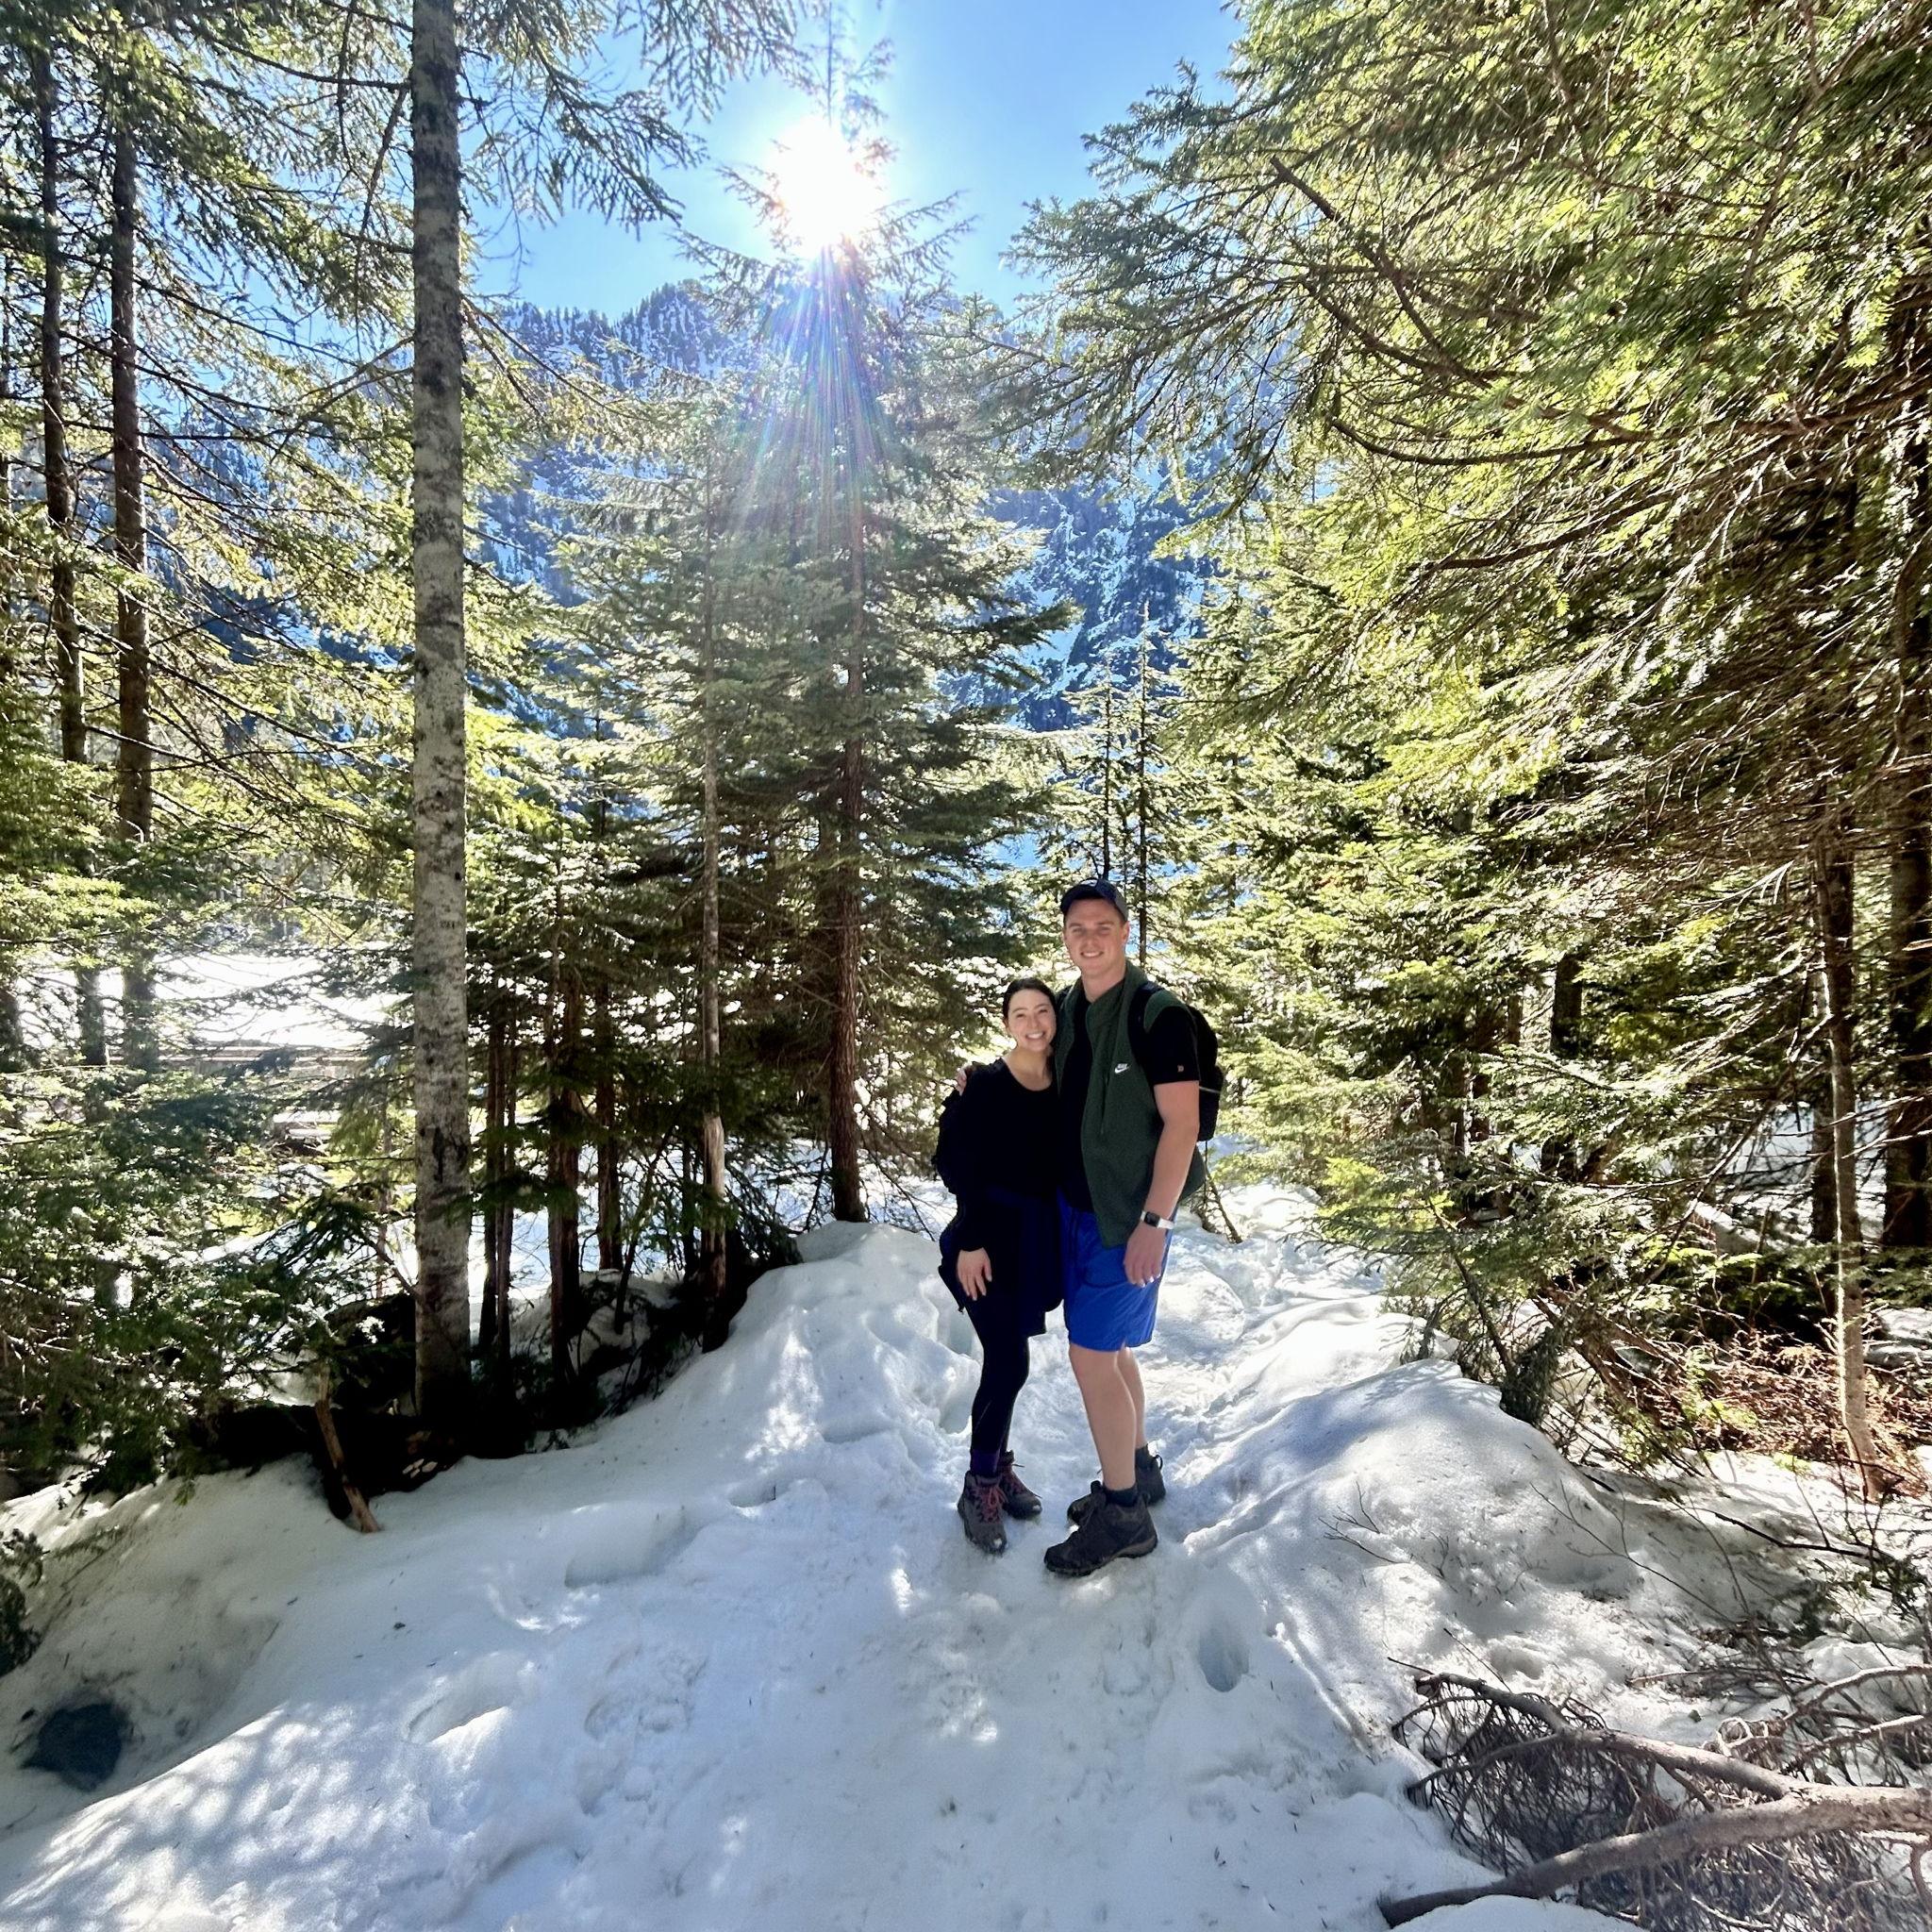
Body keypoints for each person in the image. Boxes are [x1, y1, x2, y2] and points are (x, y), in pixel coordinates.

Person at [1043, 879, 1204, 1578]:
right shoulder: (1070, 1008)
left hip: (1125, 1221)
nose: (1090, 938)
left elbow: (1183, 1126)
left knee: (1089, 1358)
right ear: (1066, 935)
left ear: (1126, 930)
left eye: (1103, 926)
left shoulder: (1156, 1015)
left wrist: (1155, 1222)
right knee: (1110, 1354)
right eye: (1078, 928)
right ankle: (1136, 1468)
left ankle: (1123, 1514)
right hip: (1078, 1213)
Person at [933, 977, 1063, 1555]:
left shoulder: (1065, 1082)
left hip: (1031, 1243)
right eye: (1020, 1013)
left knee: (1013, 1362)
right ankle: (979, 1485)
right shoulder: (983, 1084)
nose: (1033, 1022)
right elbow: (955, 1161)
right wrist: (971, 1240)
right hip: (982, 1242)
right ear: (1006, 1021)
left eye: (1042, 1011)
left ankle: (998, 1466)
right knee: (1008, 1361)